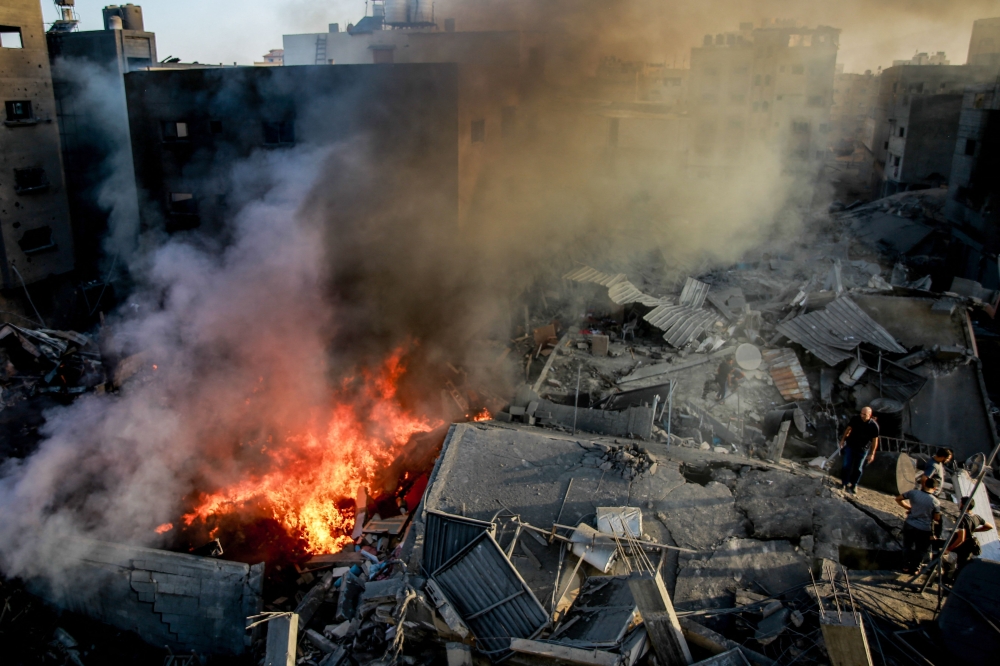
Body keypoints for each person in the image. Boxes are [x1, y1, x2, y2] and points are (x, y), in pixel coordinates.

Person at [896, 477, 942, 574]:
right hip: (924, 528)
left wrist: (909, 507)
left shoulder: (914, 493)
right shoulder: (935, 502)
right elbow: (936, 518)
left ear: (925, 484)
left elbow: (898, 498)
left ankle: (905, 566)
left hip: (909, 524)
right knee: (921, 550)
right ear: (935, 488)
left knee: (907, 546)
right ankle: (915, 568)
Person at [947, 496, 994, 574]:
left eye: (960, 503)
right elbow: (989, 526)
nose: (959, 504)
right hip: (969, 546)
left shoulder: (962, 519)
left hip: (961, 546)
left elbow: (960, 539)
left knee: (956, 567)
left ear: (964, 505)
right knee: (962, 566)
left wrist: (949, 549)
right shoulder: (976, 517)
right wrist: (975, 530)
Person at [838, 406, 879, 494]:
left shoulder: (873, 426)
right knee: (846, 465)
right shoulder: (855, 419)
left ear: (870, 415)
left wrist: (872, 453)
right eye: (861, 413)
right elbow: (848, 429)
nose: (862, 415)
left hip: (863, 449)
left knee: (858, 468)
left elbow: (875, 441)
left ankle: (854, 485)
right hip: (851, 445)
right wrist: (843, 440)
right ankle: (844, 483)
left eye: (864, 414)